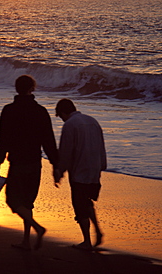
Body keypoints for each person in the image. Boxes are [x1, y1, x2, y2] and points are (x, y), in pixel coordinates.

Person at [0, 75, 58, 251]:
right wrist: (56, 164)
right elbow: (49, 142)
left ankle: (37, 229)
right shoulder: (41, 111)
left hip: (17, 162)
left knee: (14, 201)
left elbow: (3, 140)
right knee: (28, 202)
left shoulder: (9, 110)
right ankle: (26, 240)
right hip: (35, 163)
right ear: (33, 88)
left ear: (16, 89)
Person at [54, 98, 107, 251]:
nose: (61, 119)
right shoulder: (92, 121)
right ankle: (97, 230)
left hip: (79, 170)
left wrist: (60, 171)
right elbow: (101, 146)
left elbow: (66, 152)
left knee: (79, 205)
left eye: (60, 115)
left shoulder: (70, 125)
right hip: (94, 169)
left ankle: (87, 241)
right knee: (88, 201)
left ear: (63, 112)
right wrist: (102, 166)